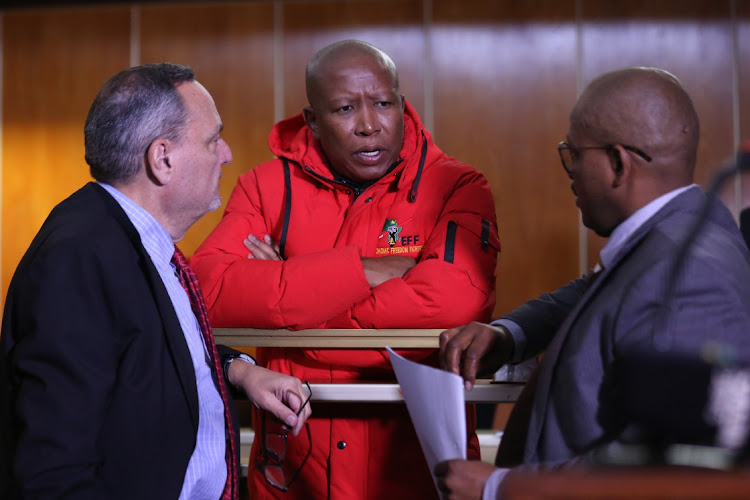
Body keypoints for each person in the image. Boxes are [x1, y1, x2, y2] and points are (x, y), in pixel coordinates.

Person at [191, 40, 500, 499]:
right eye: (343, 109)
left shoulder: (457, 185)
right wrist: (362, 270)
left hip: (416, 475)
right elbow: (209, 295)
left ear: (400, 103)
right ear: (313, 120)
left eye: (383, 103)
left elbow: (453, 302)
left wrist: (288, 301)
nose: (369, 125)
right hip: (294, 477)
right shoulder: (265, 186)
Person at [434, 66, 750, 499]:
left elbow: (666, 464)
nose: (570, 172)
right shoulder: (670, 238)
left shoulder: (689, 277)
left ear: (618, 163)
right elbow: (596, 292)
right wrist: (509, 335)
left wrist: (502, 487)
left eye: (574, 154)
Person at [0, 63, 311, 500]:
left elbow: (143, 348)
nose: (226, 154)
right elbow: (54, 469)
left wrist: (238, 371)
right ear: (163, 159)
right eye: (212, 139)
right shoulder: (79, 257)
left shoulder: (125, 238)